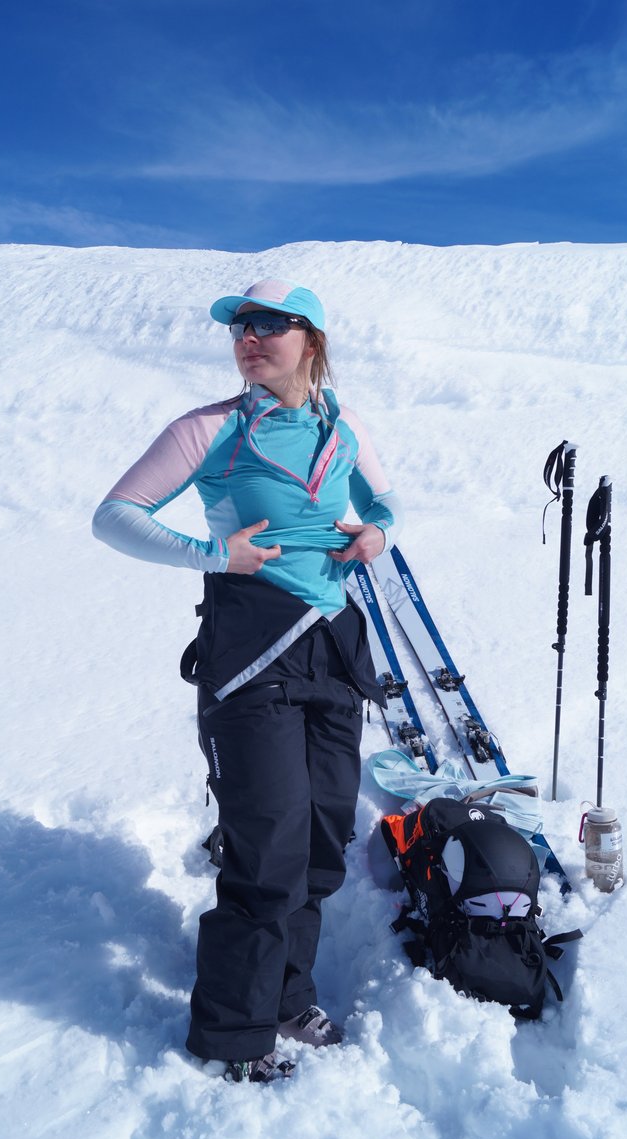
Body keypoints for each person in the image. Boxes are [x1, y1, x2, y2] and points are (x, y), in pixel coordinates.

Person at [93, 278, 401, 1082]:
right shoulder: (212, 429)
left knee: (321, 842)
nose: (249, 337)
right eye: (240, 327)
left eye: (269, 324)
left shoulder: (341, 429)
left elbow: (387, 506)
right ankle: (232, 1033)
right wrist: (214, 553)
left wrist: (373, 534)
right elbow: (115, 515)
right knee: (266, 849)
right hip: (251, 654)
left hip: (333, 650)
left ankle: (288, 995)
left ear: (311, 340)